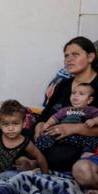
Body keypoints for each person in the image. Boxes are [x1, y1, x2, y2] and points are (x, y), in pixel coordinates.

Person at [33, 36, 98, 171]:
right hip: (51, 135)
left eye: (75, 54)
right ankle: (35, 158)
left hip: (80, 140)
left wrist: (73, 128)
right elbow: (45, 114)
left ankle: (36, 160)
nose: (69, 59)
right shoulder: (63, 85)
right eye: (66, 55)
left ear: (90, 57)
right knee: (12, 135)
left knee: (59, 157)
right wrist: (39, 127)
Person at [36, 83, 98, 152]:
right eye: (73, 93)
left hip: (81, 137)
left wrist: (94, 121)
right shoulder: (66, 109)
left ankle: (86, 152)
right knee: (47, 135)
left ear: (89, 100)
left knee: (93, 140)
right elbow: (55, 117)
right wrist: (47, 124)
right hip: (63, 135)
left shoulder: (91, 110)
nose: (76, 95)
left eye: (81, 94)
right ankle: (38, 150)